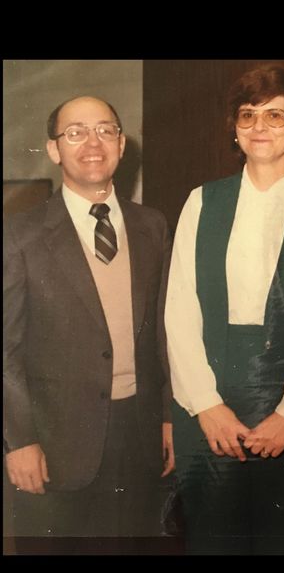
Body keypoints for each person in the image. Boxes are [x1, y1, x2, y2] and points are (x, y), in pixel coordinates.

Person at [166, 65, 284, 555]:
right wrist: (206, 406)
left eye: (275, 115)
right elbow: (180, 312)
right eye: (248, 115)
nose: (260, 126)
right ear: (234, 127)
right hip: (209, 409)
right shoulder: (201, 202)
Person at [3, 96, 174, 553]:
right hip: (54, 447)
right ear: (55, 149)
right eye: (75, 132)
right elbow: (6, 351)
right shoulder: (20, 234)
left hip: (138, 437)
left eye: (104, 129)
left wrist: (167, 415)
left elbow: (161, 332)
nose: (92, 142)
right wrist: (18, 441)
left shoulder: (152, 226)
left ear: (121, 143)